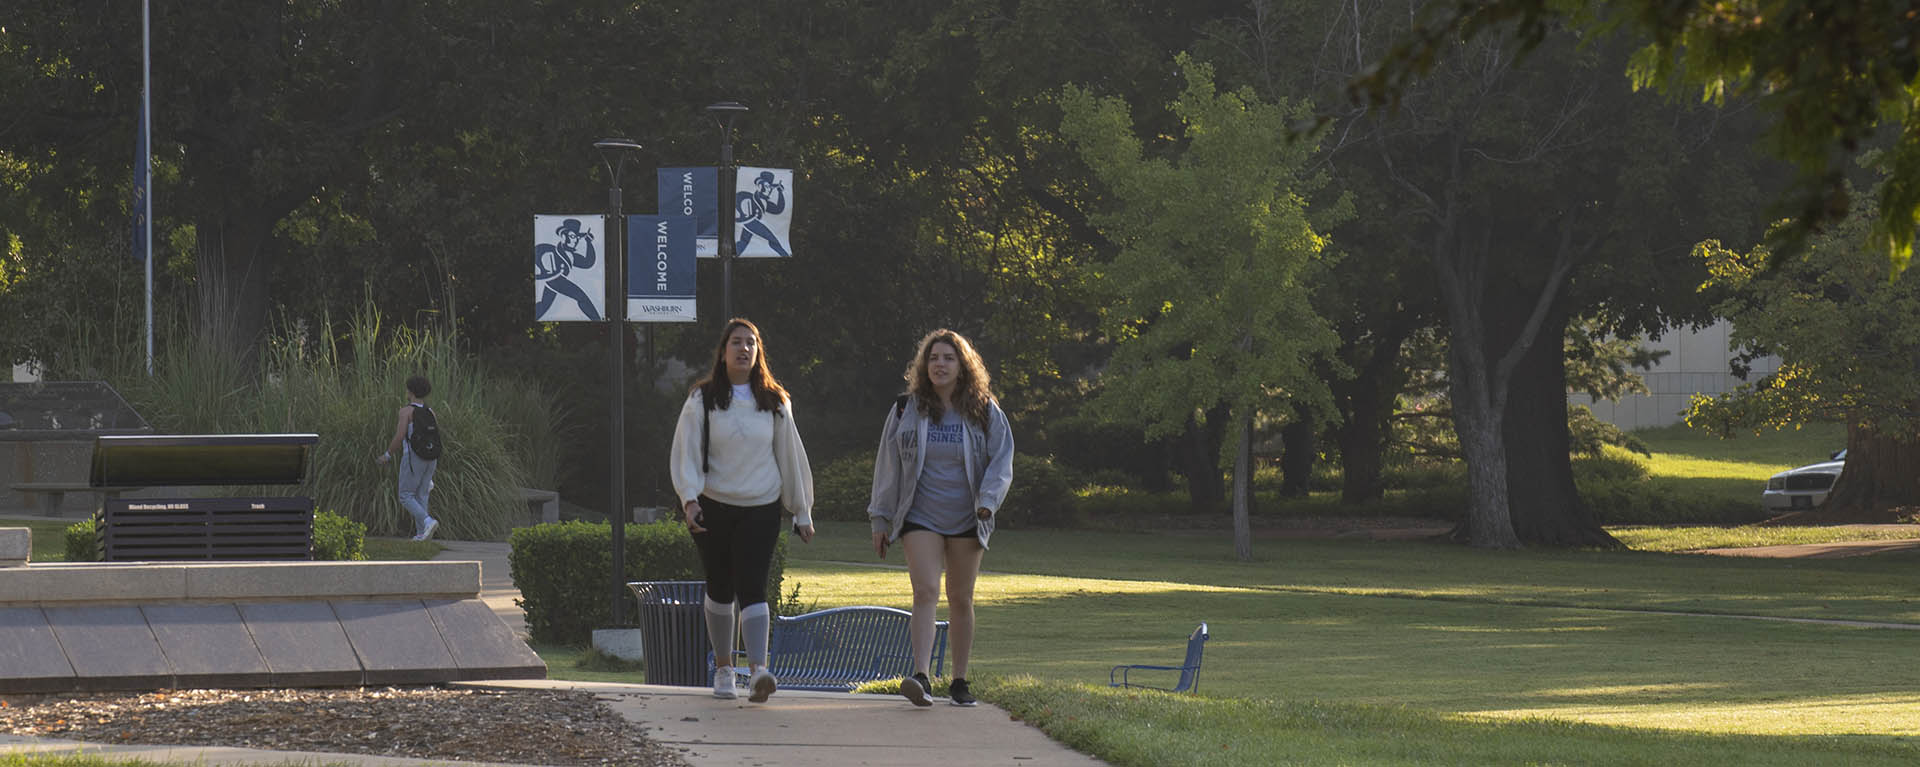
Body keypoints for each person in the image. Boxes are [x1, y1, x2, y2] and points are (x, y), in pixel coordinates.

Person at [669, 318, 815, 702]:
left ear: (758, 352)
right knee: (719, 587)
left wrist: (802, 511)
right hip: (714, 506)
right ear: (723, 351)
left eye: (751, 343)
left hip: (761, 507)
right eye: (736, 342)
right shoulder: (702, 399)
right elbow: (686, 452)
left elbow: (791, 457)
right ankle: (722, 670)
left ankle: (758, 672)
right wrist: (689, 499)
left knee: (753, 585)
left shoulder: (775, 401)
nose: (743, 349)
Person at [867, 329, 1014, 707]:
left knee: (961, 598)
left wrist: (988, 502)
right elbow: (888, 467)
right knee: (925, 591)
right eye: (934, 358)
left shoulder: (983, 409)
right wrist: (880, 519)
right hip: (920, 515)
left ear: (963, 365)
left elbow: (1002, 460)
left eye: (948, 358)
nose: (940, 364)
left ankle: (960, 681)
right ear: (924, 365)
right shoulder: (906, 409)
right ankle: (921, 676)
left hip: (969, 515)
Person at [375, 375, 440, 541]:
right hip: (431, 459)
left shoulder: (406, 412)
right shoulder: (430, 412)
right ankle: (421, 534)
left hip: (413, 458)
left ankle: (427, 521)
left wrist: (387, 455)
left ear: (410, 391)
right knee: (422, 495)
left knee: (405, 495)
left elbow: (399, 436)